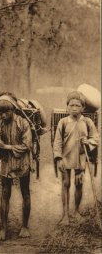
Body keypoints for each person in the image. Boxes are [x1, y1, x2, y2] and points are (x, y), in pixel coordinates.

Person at [0, 94, 32, 241]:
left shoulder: (23, 123)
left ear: (13, 109)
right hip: (6, 163)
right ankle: (4, 228)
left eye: (7, 111)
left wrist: (6, 146)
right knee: (5, 192)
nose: (3, 115)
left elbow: (27, 146)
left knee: (25, 191)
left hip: (22, 162)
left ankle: (25, 226)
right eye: (0, 112)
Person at [53, 91, 99, 225]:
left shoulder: (87, 121)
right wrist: (59, 158)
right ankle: (65, 214)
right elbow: (57, 142)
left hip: (80, 158)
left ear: (83, 108)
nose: (74, 108)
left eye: (78, 106)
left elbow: (95, 138)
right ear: (67, 107)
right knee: (66, 183)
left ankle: (76, 211)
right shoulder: (63, 122)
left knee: (79, 184)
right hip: (66, 158)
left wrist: (88, 142)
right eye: (71, 105)